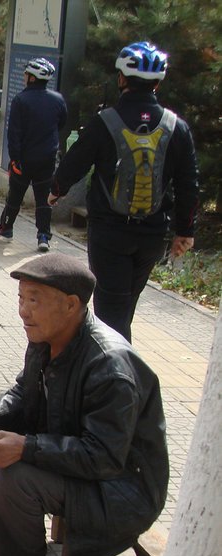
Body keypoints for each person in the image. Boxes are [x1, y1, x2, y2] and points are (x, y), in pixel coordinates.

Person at [0, 252, 168, 556]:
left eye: (34, 301)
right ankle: (0, 539)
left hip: (121, 489)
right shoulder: (47, 339)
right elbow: (23, 393)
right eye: (21, 299)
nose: (23, 311)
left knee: (15, 474)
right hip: (80, 460)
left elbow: (104, 457)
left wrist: (26, 447)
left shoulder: (109, 367)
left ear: (71, 306)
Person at [49, 42, 198, 342]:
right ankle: (115, 372)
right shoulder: (176, 127)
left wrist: (56, 190)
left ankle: (114, 379)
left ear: (121, 79)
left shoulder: (105, 122)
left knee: (111, 314)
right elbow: (187, 182)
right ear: (157, 83)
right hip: (152, 235)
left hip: (110, 232)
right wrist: (185, 230)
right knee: (125, 306)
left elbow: (76, 161)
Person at [0, 58, 67, 253]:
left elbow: (14, 133)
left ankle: (6, 227)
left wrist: (15, 159)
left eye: (26, 74)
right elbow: (61, 124)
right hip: (47, 159)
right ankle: (43, 236)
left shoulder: (21, 100)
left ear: (32, 78)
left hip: (24, 160)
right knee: (43, 199)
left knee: (15, 196)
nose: (25, 77)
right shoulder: (58, 100)